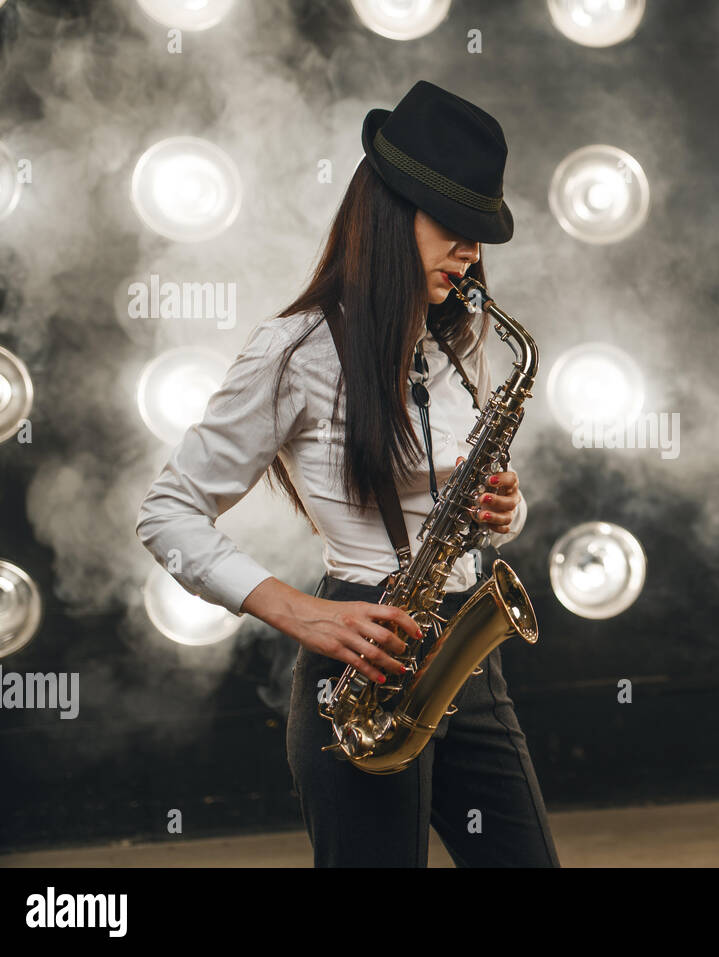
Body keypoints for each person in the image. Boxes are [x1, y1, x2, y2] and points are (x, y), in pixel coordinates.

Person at [135, 80, 559, 868]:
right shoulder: (295, 350)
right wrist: (305, 614)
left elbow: (467, 501)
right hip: (363, 655)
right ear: (392, 214)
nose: (472, 251)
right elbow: (168, 511)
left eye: (481, 232)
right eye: (456, 227)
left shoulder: (458, 340)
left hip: (465, 645)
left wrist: (505, 507)